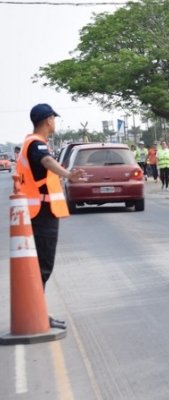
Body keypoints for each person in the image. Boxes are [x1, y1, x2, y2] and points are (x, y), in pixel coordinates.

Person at [17, 104, 85, 330]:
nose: (54, 123)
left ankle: (38, 313)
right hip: (41, 214)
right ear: (48, 120)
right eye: (54, 119)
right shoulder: (36, 144)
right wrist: (68, 175)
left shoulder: (32, 143)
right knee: (43, 267)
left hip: (39, 213)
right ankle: (37, 316)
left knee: (39, 268)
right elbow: (46, 161)